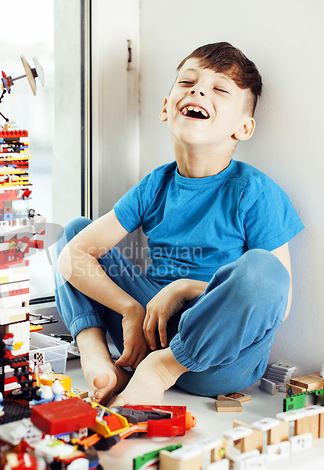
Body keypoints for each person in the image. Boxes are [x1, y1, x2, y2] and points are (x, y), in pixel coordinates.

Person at [53, 42, 304, 407]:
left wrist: (186, 288)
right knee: (75, 233)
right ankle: (98, 359)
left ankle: (160, 370)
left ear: (244, 128)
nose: (198, 90)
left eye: (219, 89)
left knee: (264, 269)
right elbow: (73, 257)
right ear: (166, 107)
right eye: (188, 81)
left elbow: (278, 303)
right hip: (149, 330)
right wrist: (130, 309)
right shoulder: (156, 185)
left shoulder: (255, 192)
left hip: (219, 358)